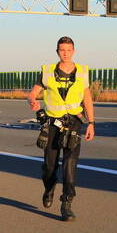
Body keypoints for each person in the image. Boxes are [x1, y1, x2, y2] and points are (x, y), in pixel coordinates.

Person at [27, 36, 95, 221]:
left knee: (70, 166)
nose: (65, 53)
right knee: (50, 166)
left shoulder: (82, 71)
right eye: (62, 50)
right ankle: (49, 188)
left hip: (74, 123)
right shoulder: (47, 71)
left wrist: (91, 123)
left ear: (74, 51)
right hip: (52, 124)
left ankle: (67, 204)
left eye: (68, 50)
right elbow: (34, 92)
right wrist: (32, 100)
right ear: (57, 52)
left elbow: (87, 98)